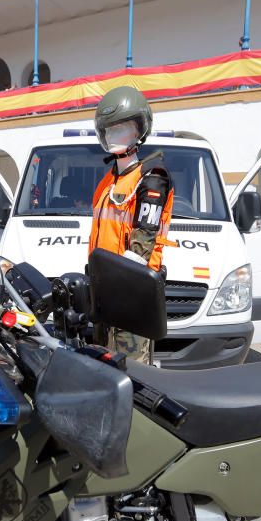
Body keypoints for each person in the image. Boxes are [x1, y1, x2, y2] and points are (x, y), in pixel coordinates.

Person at [88, 85, 174, 364]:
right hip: (104, 291)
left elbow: (142, 243)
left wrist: (116, 286)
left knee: (132, 373)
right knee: (103, 367)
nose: (116, 134)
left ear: (140, 130)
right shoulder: (108, 181)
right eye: (111, 129)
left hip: (131, 294)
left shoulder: (151, 178)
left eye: (124, 127)